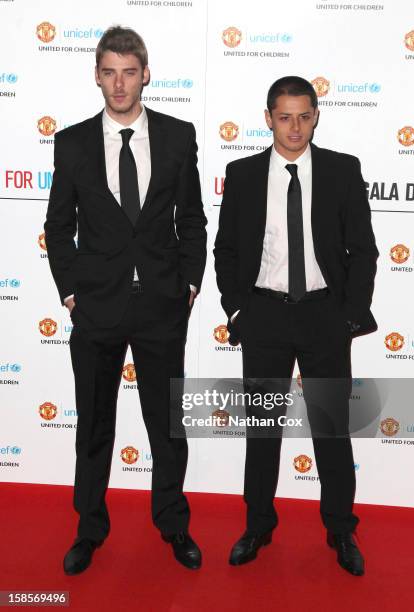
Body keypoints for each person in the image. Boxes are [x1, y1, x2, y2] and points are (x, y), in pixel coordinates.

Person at [44, 26, 207, 574]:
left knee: (168, 427)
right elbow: (57, 225)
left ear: (145, 75)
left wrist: (187, 286)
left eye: (128, 72)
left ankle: (173, 524)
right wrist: (71, 294)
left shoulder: (178, 136)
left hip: (161, 306)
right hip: (97, 310)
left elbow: (194, 221)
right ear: (96, 75)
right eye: (109, 72)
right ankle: (89, 530)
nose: (119, 83)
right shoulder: (71, 144)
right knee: (93, 427)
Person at [214, 76, 378, 576]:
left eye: (304, 116)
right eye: (284, 117)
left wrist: (349, 315)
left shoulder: (341, 170)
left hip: (325, 314)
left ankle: (340, 529)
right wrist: (237, 309)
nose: (295, 127)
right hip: (263, 315)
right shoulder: (241, 174)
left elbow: (364, 251)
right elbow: (226, 250)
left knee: (331, 430)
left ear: (316, 116)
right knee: (263, 430)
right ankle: (258, 525)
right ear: (268, 118)